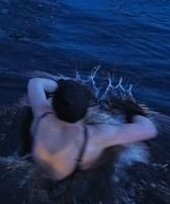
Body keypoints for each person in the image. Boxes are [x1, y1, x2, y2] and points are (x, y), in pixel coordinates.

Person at [27, 77, 157, 182]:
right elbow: (149, 129)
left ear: (54, 103)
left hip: (37, 170)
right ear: (86, 109)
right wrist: (133, 111)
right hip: (69, 180)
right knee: (116, 149)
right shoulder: (95, 135)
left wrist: (61, 86)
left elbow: (35, 82)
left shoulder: (42, 113)